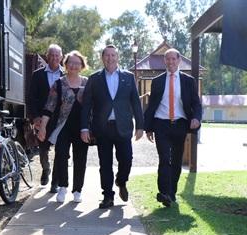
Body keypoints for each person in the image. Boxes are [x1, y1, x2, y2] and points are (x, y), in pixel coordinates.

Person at [80, 45, 144, 209]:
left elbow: (136, 102)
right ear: (102, 58)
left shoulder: (128, 77)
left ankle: (121, 181)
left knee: (127, 160)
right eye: (107, 55)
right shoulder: (94, 78)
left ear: (118, 57)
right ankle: (108, 195)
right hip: (103, 127)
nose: (110, 58)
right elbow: (86, 104)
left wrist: (140, 126)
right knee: (105, 164)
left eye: (113, 55)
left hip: (123, 126)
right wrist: (84, 128)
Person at [143, 48, 202, 207]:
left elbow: (196, 103)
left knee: (176, 161)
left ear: (179, 60)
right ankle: (163, 192)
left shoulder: (188, 81)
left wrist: (196, 118)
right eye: (167, 59)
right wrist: (148, 128)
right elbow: (151, 106)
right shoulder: (157, 81)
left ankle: (172, 193)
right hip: (161, 124)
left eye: (173, 59)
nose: (170, 62)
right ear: (164, 61)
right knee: (164, 159)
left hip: (180, 125)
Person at [37, 50, 89, 203]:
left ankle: (78, 190)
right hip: (63, 126)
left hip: (82, 127)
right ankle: (63, 187)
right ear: (65, 64)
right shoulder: (58, 83)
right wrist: (43, 127)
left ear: (81, 66)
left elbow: (94, 105)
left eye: (77, 63)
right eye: (70, 63)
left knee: (80, 158)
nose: (73, 66)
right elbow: (49, 107)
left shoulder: (87, 83)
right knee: (61, 155)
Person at [28, 44, 63, 192]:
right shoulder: (38, 74)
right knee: (43, 149)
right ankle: (45, 169)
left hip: (61, 120)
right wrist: (35, 118)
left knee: (61, 151)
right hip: (43, 119)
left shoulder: (66, 74)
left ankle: (55, 181)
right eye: (52, 55)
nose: (55, 58)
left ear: (61, 57)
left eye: (57, 55)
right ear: (47, 56)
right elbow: (31, 98)